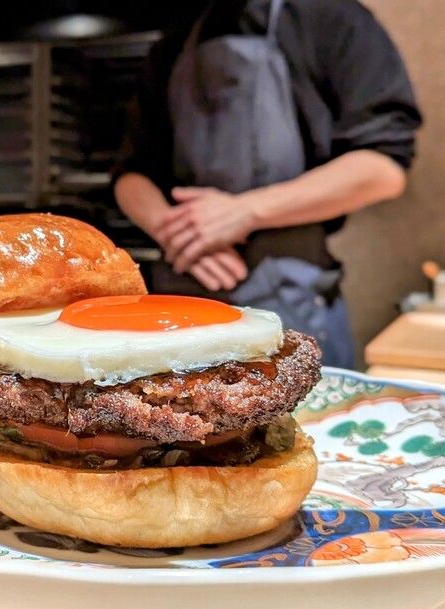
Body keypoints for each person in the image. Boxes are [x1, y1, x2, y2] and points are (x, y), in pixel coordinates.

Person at [112, 0, 422, 369]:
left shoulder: (331, 15)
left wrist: (245, 212)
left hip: (293, 305)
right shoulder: (177, 38)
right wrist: (178, 232)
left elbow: (382, 169)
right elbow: (132, 174)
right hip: (180, 303)